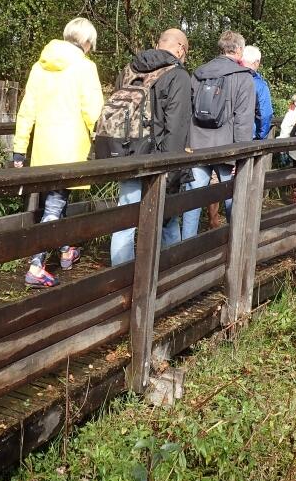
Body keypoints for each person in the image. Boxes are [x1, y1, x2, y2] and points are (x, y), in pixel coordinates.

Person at [12, 18, 104, 287]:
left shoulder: (40, 66)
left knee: (55, 199)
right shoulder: (85, 68)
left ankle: (65, 250)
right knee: (54, 204)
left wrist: (19, 148)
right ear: (86, 42)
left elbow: (27, 108)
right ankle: (36, 266)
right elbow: (93, 110)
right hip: (71, 147)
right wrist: (100, 140)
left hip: (43, 147)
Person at [108, 29, 192, 266]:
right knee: (168, 221)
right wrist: (173, 172)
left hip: (126, 155)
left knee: (125, 220)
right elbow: (176, 129)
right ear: (179, 49)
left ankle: (120, 279)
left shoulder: (128, 71)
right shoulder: (178, 76)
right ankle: (170, 275)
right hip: (159, 160)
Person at [181, 30, 256, 238]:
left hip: (197, 145)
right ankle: (235, 244)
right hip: (227, 148)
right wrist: (241, 157)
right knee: (233, 198)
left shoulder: (199, 73)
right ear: (239, 50)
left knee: (192, 201)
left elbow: (188, 112)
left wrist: (188, 144)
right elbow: (243, 121)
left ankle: (184, 251)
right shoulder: (243, 78)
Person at [242, 45, 274, 140]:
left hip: (225, 136)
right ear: (256, 62)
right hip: (249, 136)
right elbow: (265, 114)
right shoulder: (259, 85)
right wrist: (261, 136)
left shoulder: (229, 77)